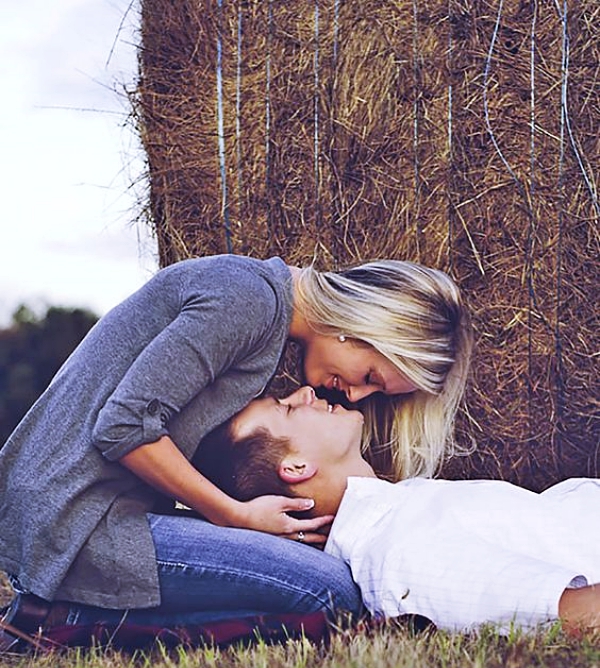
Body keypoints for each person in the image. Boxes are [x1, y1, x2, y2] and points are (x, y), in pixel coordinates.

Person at [0, 255, 471, 644]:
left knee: (316, 576)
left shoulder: (256, 306)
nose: (355, 396)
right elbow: (122, 427)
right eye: (370, 377)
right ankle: (67, 624)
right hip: (74, 519)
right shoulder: (247, 300)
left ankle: (68, 612)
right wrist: (234, 517)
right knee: (329, 590)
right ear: (360, 324)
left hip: (88, 510)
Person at [196, 386, 600, 636]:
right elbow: (573, 614)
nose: (304, 392)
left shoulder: (399, 509)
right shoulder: (401, 555)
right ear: (296, 468)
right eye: (286, 408)